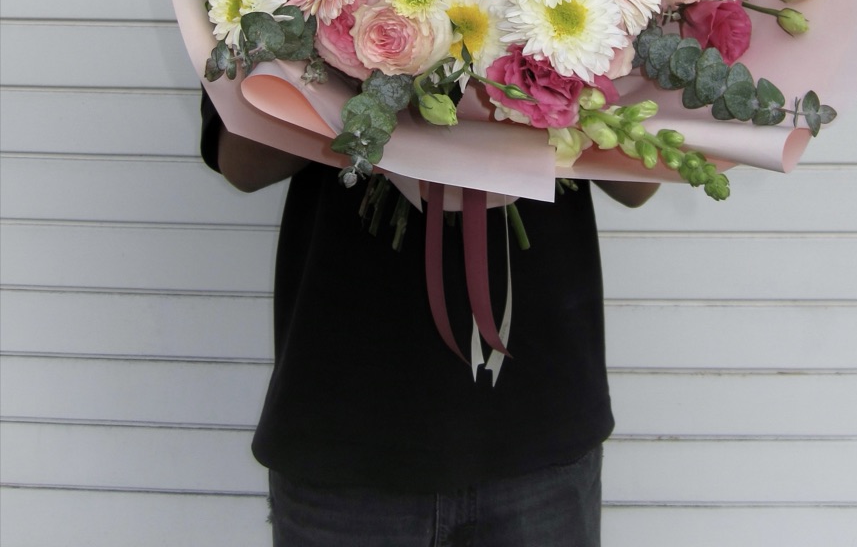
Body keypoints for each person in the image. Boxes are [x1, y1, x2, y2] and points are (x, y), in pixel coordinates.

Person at [201, 90, 658, 547]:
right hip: (345, 422)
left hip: (539, 420)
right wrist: (354, 63)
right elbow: (242, 163)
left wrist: (563, 80)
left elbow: (639, 183)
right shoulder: (277, 12)